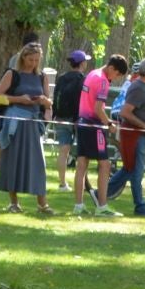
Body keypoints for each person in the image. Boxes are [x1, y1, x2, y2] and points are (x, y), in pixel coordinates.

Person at [0, 42, 53, 214]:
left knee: (38, 163)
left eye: (36, 60)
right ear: (23, 57)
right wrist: (20, 99)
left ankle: (43, 203)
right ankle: (14, 202)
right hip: (15, 121)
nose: (33, 63)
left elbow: (49, 101)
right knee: (13, 160)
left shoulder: (42, 77)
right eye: (30, 59)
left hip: (33, 123)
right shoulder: (12, 74)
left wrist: (45, 103)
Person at [104, 56, 145, 216]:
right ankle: (140, 206)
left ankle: (100, 194)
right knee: (136, 171)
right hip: (134, 136)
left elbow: (143, 113)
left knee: (129, 169)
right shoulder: (138, 87)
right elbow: (126, 112)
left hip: (141, 135)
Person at [74, 56, 128, 217]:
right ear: (112, 69)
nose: (115, 79)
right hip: (94, 127)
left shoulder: (92, 73)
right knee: (104, 165)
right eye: (117, 75)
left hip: (82, 124)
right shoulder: (103, 81)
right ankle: (102, 206)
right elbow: (98, 109)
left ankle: (78, 205)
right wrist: (109, 124)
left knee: (82, 164)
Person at [52, 51, 89, 193]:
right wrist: (77, 118)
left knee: (63, 151)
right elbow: (80, 101)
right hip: (76, 119)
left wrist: (55, 114)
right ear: (82, 63)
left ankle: (62, 183)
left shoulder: (61, 78)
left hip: (60, 118)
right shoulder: (82, 79)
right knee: (82, 152)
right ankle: (82, 183)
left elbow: (56, 97)